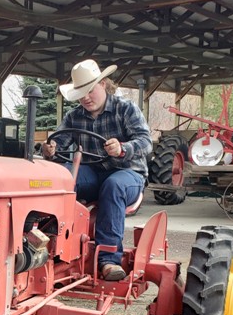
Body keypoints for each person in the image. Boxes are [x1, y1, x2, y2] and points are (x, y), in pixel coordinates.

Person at [41, 59, 152, 281]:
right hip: (92, 172)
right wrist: (50, 149)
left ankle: (109, 260)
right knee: (61, 178)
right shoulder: (74, 116)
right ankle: (48, 245)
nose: (85, 98)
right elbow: (58, 143)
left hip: (128, 174)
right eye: (80, 93)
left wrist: (123, 148)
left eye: (90, 90)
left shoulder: (126, 109)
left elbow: (146, 142)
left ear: (104, 84)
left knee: (114, 185)